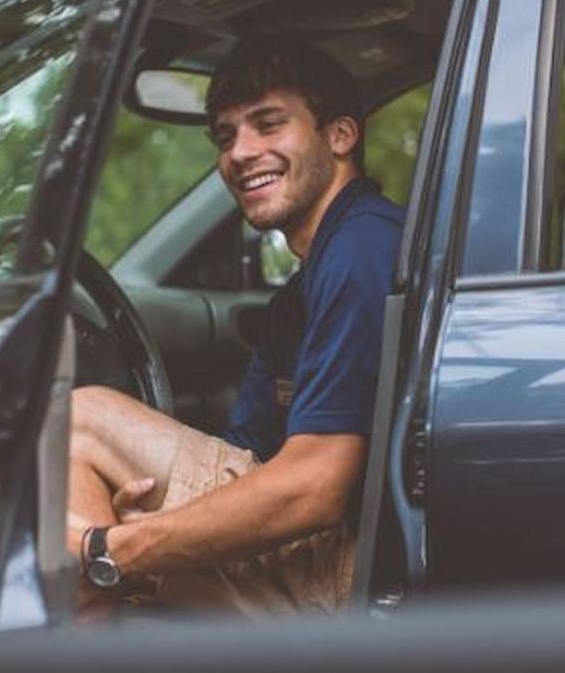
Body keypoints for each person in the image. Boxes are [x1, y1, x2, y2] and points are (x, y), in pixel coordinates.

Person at [68, 36, 403, 616]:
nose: (240, 153)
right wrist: (144, 522)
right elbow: (248, 461)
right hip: (319, 554)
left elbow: (314, 489)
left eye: (268, 125)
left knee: (75, 421)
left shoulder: (364, 247)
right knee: (75, 528)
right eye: (225, 137)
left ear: (340, 135)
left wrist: (115, 547)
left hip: (358, 575)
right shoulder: (296, 297)